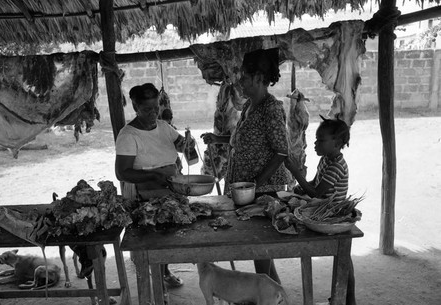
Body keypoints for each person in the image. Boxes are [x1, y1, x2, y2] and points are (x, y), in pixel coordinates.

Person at [201, 48, 290, 283]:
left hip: (263, 191)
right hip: (248, 189)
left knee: (259, 249)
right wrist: (218, 140)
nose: (240, 82)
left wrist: (255, 184)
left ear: (260, 78)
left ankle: (270, 294)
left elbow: (282, 150)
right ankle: (274, 292)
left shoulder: (270, 108)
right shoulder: (250, 106)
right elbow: (243, 139)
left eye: (245, 78)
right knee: (259, 251)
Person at [115, 83, 194, 288]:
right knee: (152, 238)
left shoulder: (164, 127)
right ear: (135, 107)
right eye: (147, 109)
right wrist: (154, 175)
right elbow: (122, 172)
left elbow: (179, 144)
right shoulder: (128, 135)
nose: (153, 113)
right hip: (144, 194)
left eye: (156, 108)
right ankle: (155, 284)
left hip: (169, 189)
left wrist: (186, 143)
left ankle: (164, 271)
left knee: (168, 236)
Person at [284, 117, 356, 305]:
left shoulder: (336, 166)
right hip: (322, 210)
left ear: (337, 143)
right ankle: (345, 297)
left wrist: (295, 172)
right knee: (344, 259)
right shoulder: (325, 159)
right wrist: (300, 188)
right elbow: (314, 184)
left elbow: (317, 192)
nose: (315, 143)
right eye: (316, 139)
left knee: (343, 259)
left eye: (320, 140)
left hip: (332, 218)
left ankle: (349, 298)